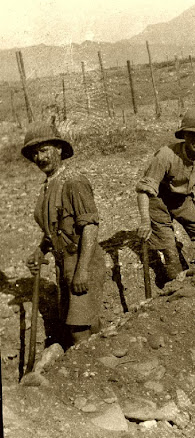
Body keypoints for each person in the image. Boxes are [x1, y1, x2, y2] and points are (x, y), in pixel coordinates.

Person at [23, 122, 105, 349]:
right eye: (35, 153)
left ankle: (89, 367)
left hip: (83, 261)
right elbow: (54, 229)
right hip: (65, 266)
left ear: (59, 149)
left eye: (44, 150)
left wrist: (82, 270)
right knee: (83, 324)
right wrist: (40, 250)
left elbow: (90, 227)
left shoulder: (74, 182)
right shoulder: (48, 186)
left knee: (79, 329)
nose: (40, 158)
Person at [136, 108, 195, 281]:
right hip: (158, 199)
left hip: (182, 200)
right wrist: (145, 221)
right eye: (191, 134)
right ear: (184, 135)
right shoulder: (166, 155)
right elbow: (143, 190)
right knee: (169, 249)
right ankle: (175, 285)